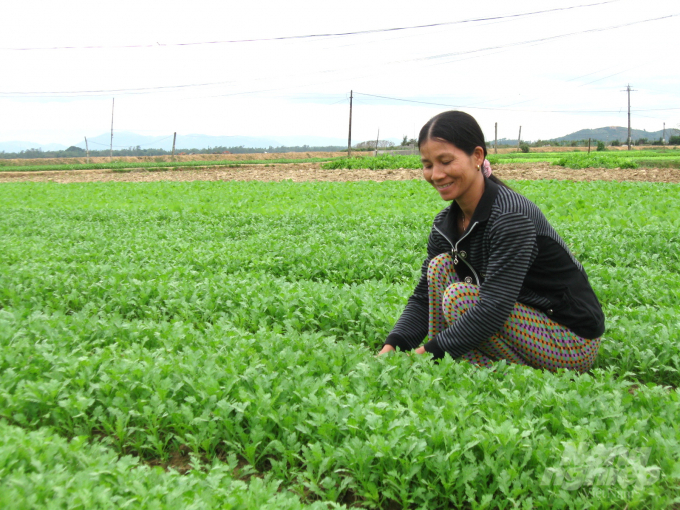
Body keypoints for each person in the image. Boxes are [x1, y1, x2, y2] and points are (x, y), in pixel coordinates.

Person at [378, 111, 604, 373]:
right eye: (428, 165)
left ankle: (447, 362)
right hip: (519, 320)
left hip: (569, 340)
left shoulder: (510, 215)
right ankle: (448, 363)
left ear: (477, 156)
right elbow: (423, 296)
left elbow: (494, 307)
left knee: (461, 298)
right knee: (439, 267)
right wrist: (392, 346)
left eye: (446, 161)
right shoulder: (446, 223)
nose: (436, 174)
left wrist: (422, 355)